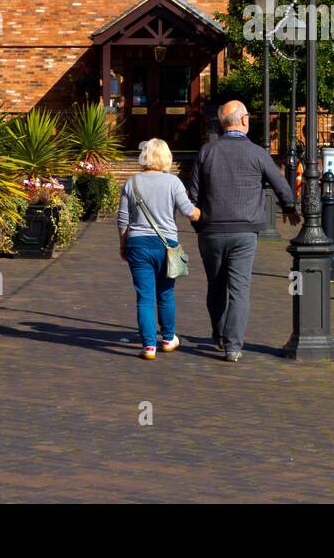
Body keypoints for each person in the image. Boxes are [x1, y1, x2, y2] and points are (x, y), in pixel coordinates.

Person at [187, 100, 298, 362]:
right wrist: (290, 207)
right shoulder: (257, 153)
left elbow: (192, 195)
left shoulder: (207, 152)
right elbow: (280, 183)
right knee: (240, 288)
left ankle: (218, 333)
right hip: (245, 231)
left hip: (211, 231)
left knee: (216, 285)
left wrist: (198, 225)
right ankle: (233, 346)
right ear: (245, 120)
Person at [117, 138, 200, 360]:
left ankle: (148, 346)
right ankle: (168, 338)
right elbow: (188, 211)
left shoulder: (131, 183)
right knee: (166, 293)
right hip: (166, 245)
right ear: (166, 158)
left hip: (138, 243)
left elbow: (123, 219)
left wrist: (123, 244)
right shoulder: (173, 183)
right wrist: (202, 213)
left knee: (144, 296)